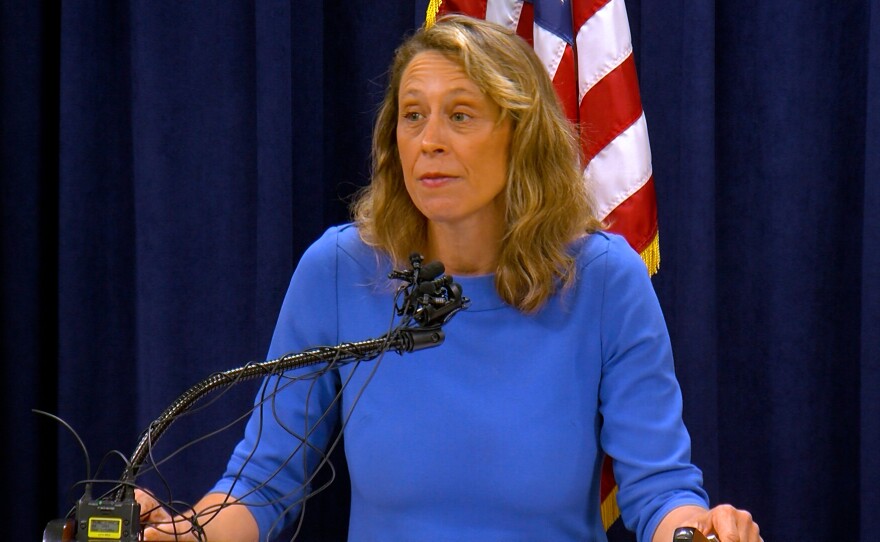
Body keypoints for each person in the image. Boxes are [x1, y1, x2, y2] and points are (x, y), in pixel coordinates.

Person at [137, 14, 762, 542]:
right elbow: (262, 484)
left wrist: (702, 531)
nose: (429, 141)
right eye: (413, 115)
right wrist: (184, 534)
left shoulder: (603, 279)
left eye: (460, 115)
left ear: (520, 136)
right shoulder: (341, 270)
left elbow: (659, 489)